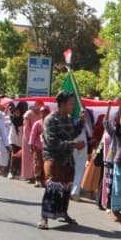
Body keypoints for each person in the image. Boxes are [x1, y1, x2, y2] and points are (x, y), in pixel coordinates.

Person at [38, 91, 83, 230]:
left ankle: (63, 212)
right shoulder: (51, 119)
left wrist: (81, 121)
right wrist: (73, 145)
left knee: (66, 188)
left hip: (67, 159)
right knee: (52, 187)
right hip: (53, 158)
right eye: (70, 103)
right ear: (62, 104)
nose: (72, 106)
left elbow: (73, 133)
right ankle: (44, 218)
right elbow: (52, 142)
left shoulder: (68, 119)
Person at [21, 100, 43, 183]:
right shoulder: (29, 114)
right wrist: (30, 140)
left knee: (36, 158)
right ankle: (29, 175)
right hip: (28, 138)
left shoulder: (40, 114)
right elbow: (26, 129)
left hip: (38, 138)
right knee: (28, 157)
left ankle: (35, 175)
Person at [30, 106, 50, 188]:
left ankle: (44, 180)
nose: (43, 114)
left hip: (48, 147)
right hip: (38, 146)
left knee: (46, 163)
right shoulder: (37, 123)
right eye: (42, 112)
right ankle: (37, 179)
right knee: (37, 163)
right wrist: (31, 145)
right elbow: (33, 135)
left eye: (45, 112)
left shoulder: (51, 123)